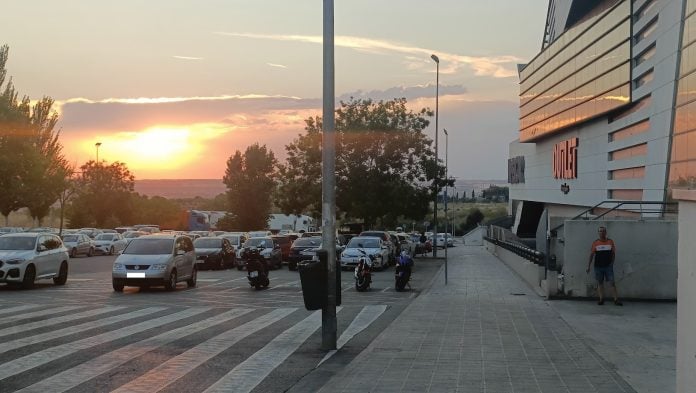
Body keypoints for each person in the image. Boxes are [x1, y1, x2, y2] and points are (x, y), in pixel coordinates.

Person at [586, 226, 622, 306]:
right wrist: (588, 266)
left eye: (603, 231)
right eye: (600, 231)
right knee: (600, 283)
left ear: (606, 232)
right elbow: (591, 255)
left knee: (612, 283)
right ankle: (601, 299)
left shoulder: (610, 242)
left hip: (608, 267)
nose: (602, 232)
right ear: (598, 233)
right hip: (598, 267)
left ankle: (616, 300)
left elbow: (613, 253)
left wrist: (612, 263)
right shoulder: (595, 243)